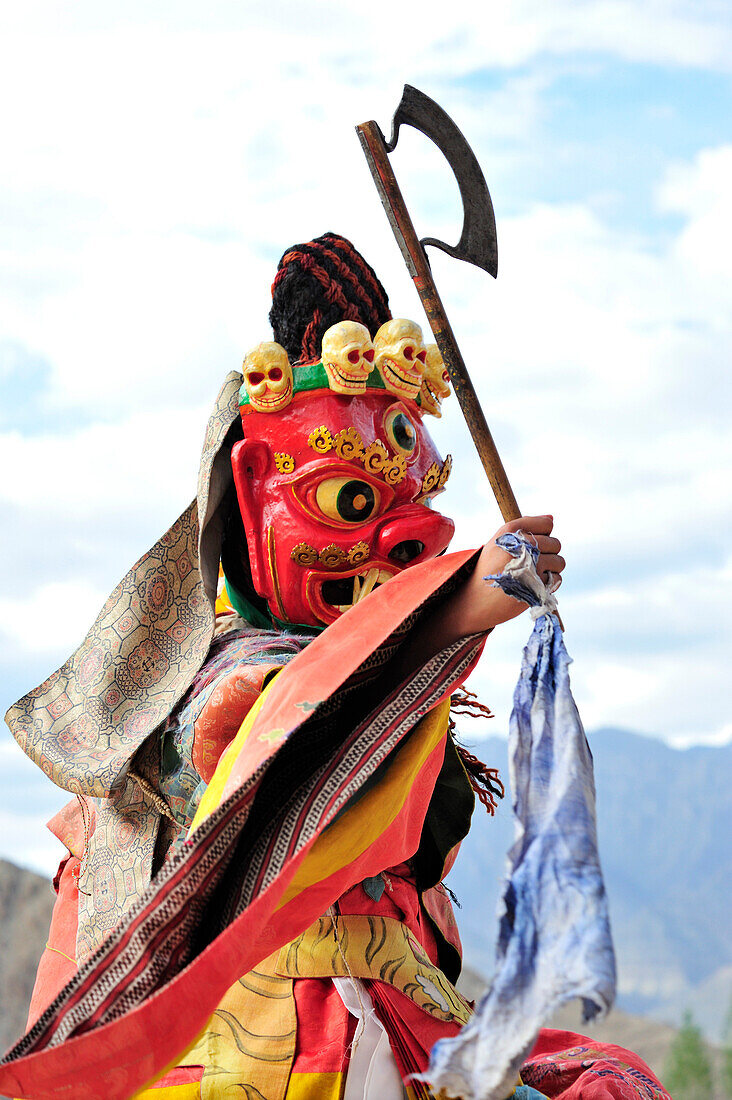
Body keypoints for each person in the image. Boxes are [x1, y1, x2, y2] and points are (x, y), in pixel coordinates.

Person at [1, 234, 669, 1100]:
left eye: (417, 500)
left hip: (387, 1002)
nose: (412, 536)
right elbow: (296, 723)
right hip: (268, 1036)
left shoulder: (369, 672)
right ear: (249, 491)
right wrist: (451, 613)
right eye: (352, 499)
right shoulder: (220, 683)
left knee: (610, 1078)